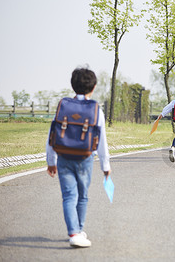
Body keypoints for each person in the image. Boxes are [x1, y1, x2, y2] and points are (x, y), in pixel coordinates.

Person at [46, 67, 111, 248]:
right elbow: (102, 141)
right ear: (94, 87)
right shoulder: (96, 109)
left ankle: (74, 232)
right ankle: (78, 231)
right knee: (82, 196)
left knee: (68, 196)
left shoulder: (64, 105)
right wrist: (105, 165)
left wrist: (51, 161)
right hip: (85, 159)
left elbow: (52, 135)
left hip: (63, 157)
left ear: (72, 85)